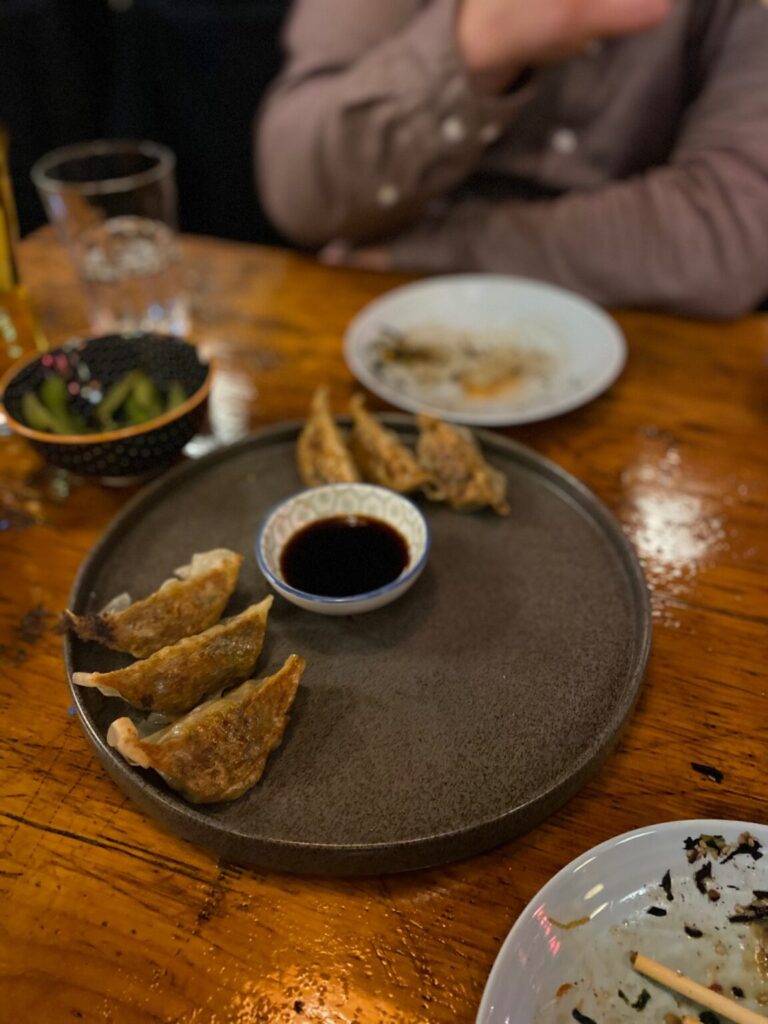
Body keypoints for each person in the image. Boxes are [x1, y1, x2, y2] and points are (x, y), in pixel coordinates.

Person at [256, 0, 768, 318]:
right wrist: (476, 43)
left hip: (650, 347)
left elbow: (731, 237)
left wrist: (429, 249)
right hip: (380, 326)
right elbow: (297, 189)